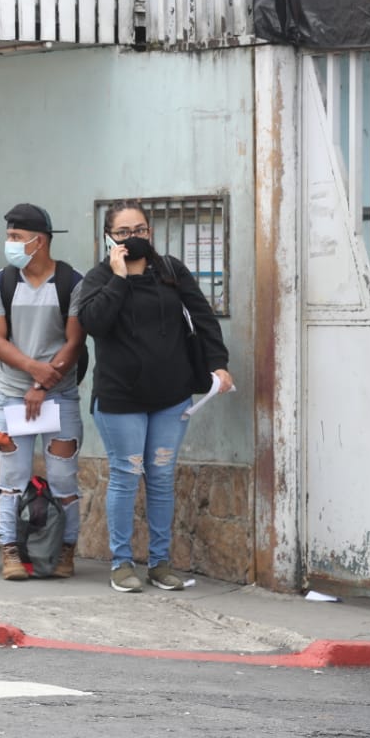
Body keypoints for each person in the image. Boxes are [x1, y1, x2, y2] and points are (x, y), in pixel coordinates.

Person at [78, 200, 232, 592]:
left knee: (161, 477)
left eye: (141, 230)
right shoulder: (97, 278)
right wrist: (119, 278)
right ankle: (121, 563)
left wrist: (218, 364)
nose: (135, 238)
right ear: (109, 237)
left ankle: (161, 563)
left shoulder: (170, 270)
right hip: (120, 400)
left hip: (171, 397)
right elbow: (94, 323)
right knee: (127, 477)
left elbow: (202, 316)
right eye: (125, 232)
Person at [0, 204, 87, 580]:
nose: (9, 244)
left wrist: (44, 385)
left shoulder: (72, 283)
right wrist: (32, 373)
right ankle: (10, 551)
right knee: (11, 479)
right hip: (12, 396)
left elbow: (75, 341)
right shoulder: (0, 283)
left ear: (38, 240)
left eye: (15, 237)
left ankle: (65, 551)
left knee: (63, 480)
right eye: (9, 236)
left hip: (59, 397)